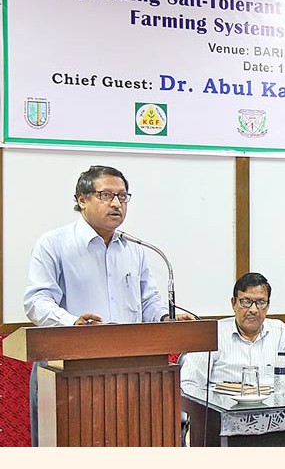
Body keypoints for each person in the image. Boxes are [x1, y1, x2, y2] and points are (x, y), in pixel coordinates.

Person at [23, 165, 193, 446]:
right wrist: (71, 322)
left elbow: (148, 301)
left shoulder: (135, 249)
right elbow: (36, 300)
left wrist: (166, 317)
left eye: (123, 197)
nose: (116, 203)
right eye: (106, 195)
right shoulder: (54, 244)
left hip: (132, 372)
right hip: (68, 369)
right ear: (82, 199)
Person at [181, 272, 285, 392]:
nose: (253, 310)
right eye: (246, 302)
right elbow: (188, 384)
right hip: (222, 402)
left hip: (270, 402)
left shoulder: (279, 331)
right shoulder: (210, 334)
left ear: (268, 305)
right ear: (234, 303)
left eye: (261, 302)